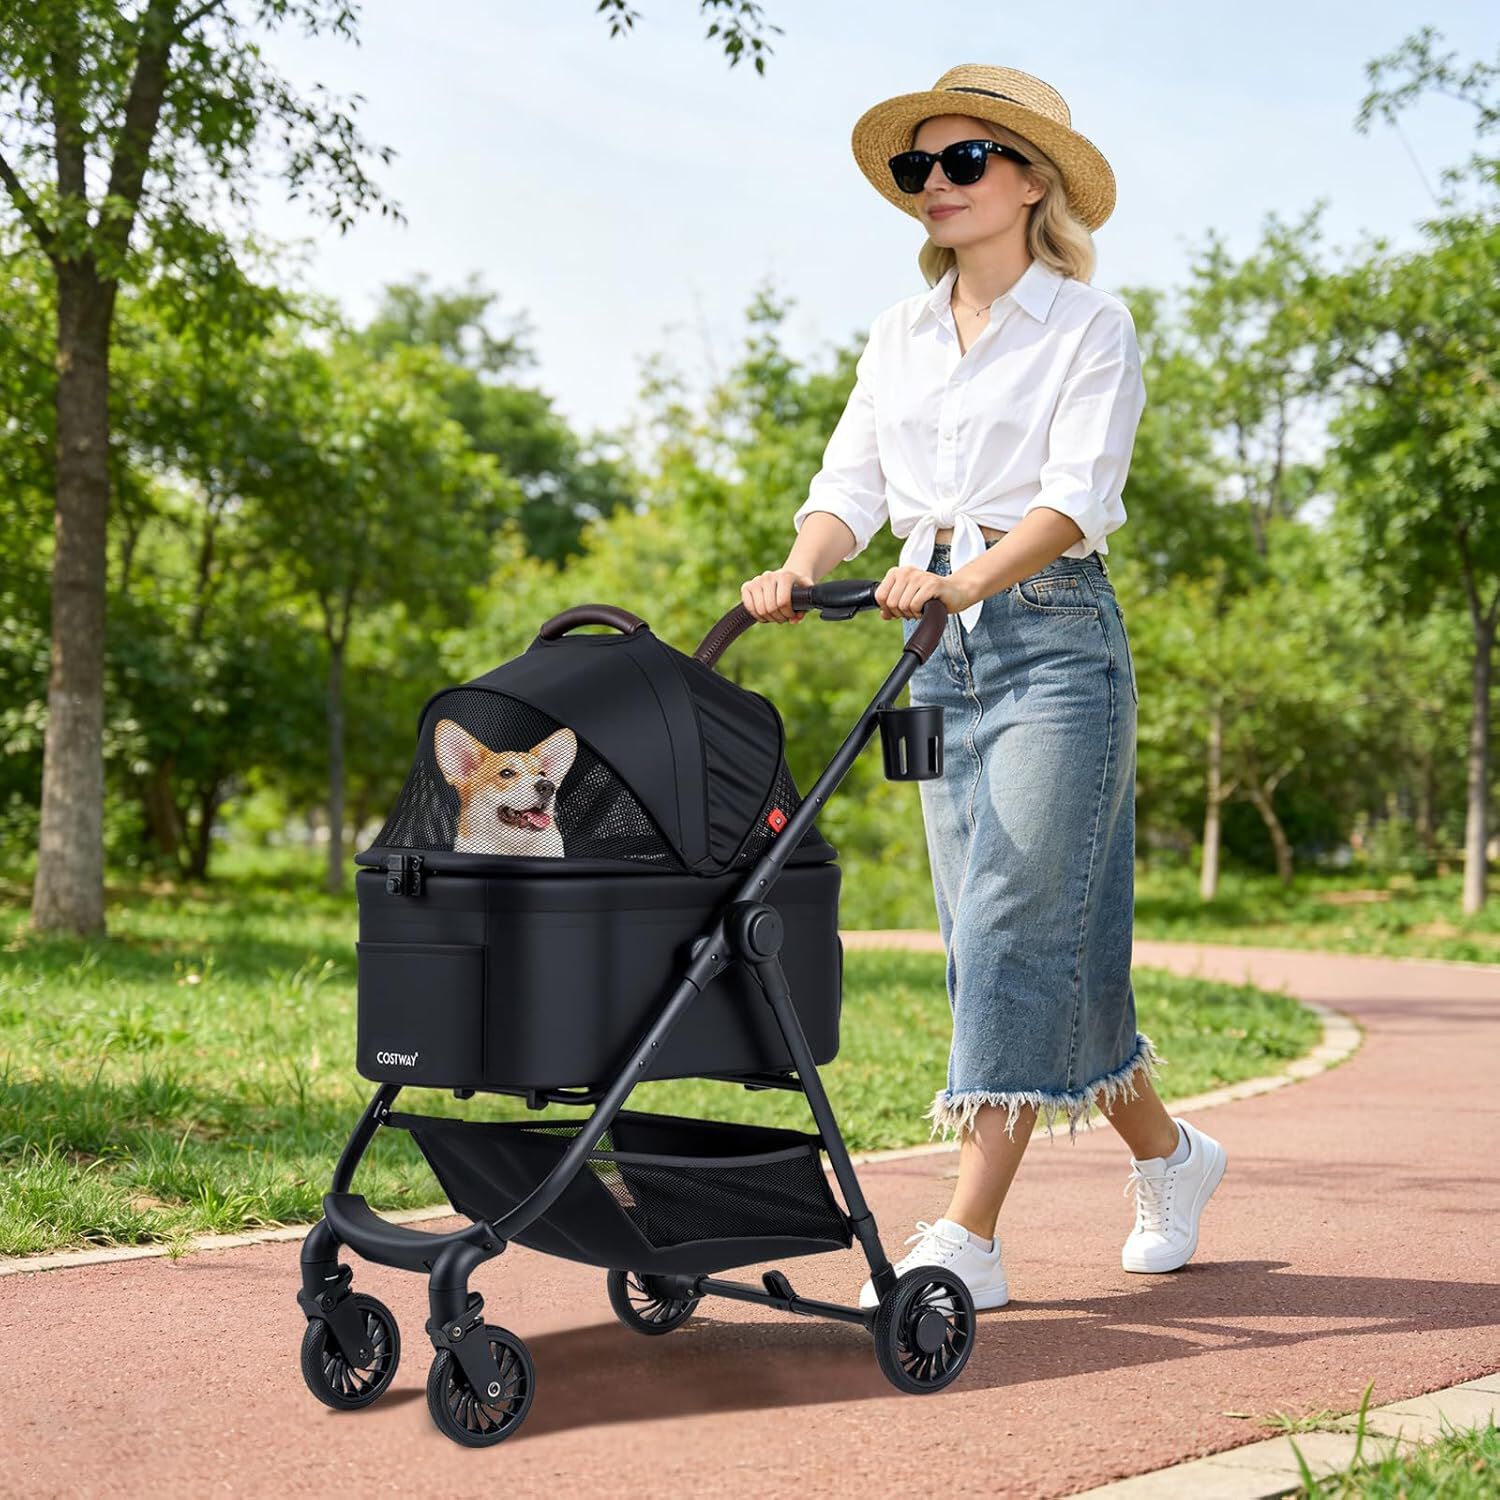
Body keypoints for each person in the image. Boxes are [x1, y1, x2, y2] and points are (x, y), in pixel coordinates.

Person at [740, 65, 1226, 1311]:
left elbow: (1075, 499)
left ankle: (966, 1234)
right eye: (920, 169)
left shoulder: (1086, 325)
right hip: (934, 655)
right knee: (1015, 939)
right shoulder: (898, 335)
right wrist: (800, 567)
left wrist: (965, 582)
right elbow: (849, 486)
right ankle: (1171, 1158)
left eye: (963, 164)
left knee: (1012, 923)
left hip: (1054, 643)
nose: (936, 187)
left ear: (1030, 182)